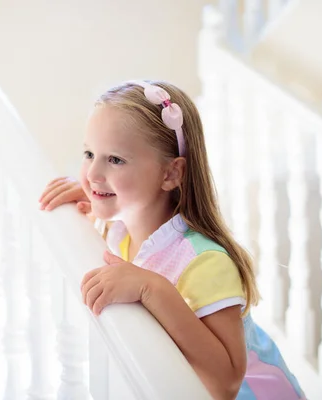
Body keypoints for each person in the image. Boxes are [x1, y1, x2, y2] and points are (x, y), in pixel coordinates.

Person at [39, 80, 304, 399]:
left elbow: (226, 382)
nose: (93, 172)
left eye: (115, 160)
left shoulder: (204, 262)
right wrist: (99, 194)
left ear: (170, 174)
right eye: (89, 153)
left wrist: (152, 288)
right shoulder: (124, 230)